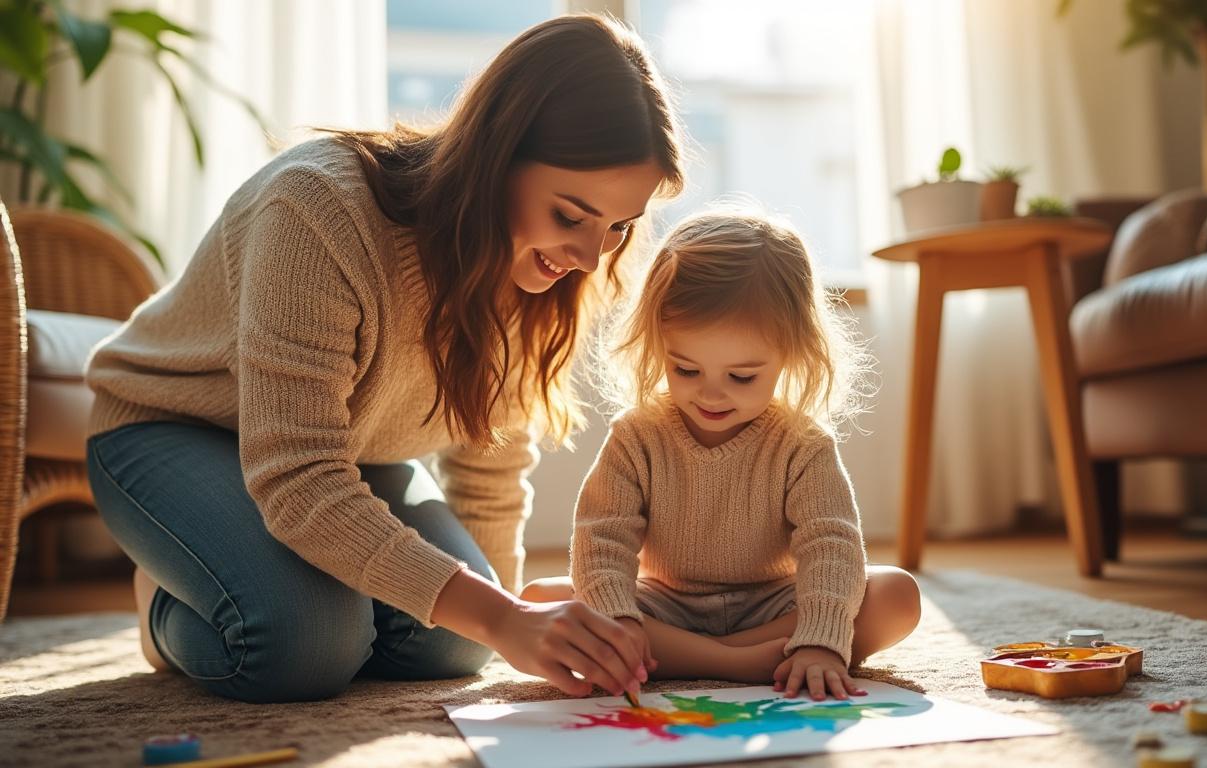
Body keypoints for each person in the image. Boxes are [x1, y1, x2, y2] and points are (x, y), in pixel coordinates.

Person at [84, 14, 683, 704]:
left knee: (455, 644)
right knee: (308, 644)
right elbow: (298, 476)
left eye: (617, 227)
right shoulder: (317, 209)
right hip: (169, 429)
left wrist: (505, 622)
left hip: (349, 454)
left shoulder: (545, 270)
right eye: (571, 216)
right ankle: (166, 604)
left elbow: (489, 461)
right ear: (495, 156)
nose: (588, 257)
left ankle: (270, 581)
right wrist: (502, 615)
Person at [521, 210, 922, 702]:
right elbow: (602, 536)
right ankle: (745, 661)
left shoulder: (803, 443)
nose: (711, 395)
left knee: (896, 595)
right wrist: (620, 621)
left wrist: (821, 641)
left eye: (741, 377)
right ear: (658, 345)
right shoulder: (636, 435)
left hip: (773, 604)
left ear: (792, 353)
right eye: (686, 370)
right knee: (539, 600)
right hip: (665, 604)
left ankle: (696, 657)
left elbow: (831, 543)